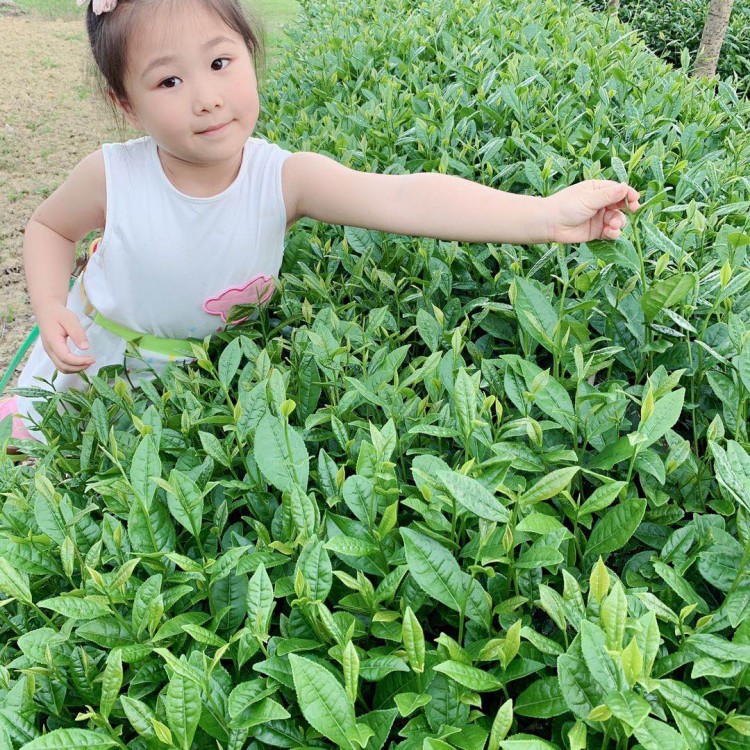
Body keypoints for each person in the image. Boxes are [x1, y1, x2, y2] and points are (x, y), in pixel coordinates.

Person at [0, 0, 640, 447]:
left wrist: (546, 215)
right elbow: (51, 229)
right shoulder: (114, 175)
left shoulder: (283, 179)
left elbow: (406, 200)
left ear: (249, 55)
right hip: (88, 363)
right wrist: (51, 303)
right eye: (168, 80)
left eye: (220, 63)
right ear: (125, 103)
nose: (206, 97)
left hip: (197, 384)